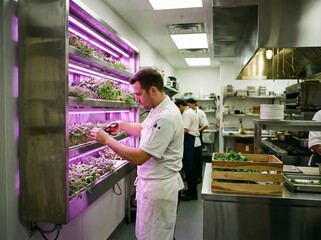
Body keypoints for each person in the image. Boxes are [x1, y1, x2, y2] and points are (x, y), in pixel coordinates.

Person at [90, 68, 184, 240]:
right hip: (153, 187)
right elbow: (144, 129)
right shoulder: (158, 110)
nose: (136, 99)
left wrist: (107, 140)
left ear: (153, 90)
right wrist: (121, 124)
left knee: (156, 236)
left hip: (159, 189)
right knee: (147, 234)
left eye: (138, 94)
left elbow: (140, 157)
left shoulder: (166, 117)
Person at [175, 99, 199, 201]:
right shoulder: (189, 112)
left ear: (180, 106)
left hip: (191, 142)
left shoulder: (187, 114)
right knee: (190, 169)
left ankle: (192, 194)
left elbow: (185, 130)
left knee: (190, 170)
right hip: (191, 142)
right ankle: (190, 190)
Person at [186, 98, 209, 183]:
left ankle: (198, 176)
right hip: (192, 135)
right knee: (193, 159)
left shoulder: (200, 112)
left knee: (198, 159)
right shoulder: (187, 113)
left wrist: (196, 130)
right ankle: (193, 177)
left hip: (197, 134)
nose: (188, 107)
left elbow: (206, 125)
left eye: (189, 105)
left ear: (193, 104)